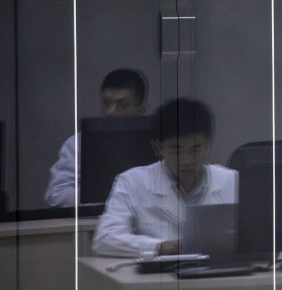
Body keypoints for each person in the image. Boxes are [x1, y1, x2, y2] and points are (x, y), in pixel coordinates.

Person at [92, 97, 237, 258]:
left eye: (196, 149)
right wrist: (158, 247)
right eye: (177, 150)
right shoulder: (132, 182)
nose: (187, 160)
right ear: (158, 147)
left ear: (209, 144)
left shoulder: (231, 181)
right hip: (157, 278)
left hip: (217, 276)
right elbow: (105, 239)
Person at [44, 68, 149, 207]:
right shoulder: (78, 144)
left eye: (121, 105)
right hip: (95, 227)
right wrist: (117, 195)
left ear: (141, 110)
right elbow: (57, 195)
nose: (110, 112)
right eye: (106, 103)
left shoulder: (159, 144)